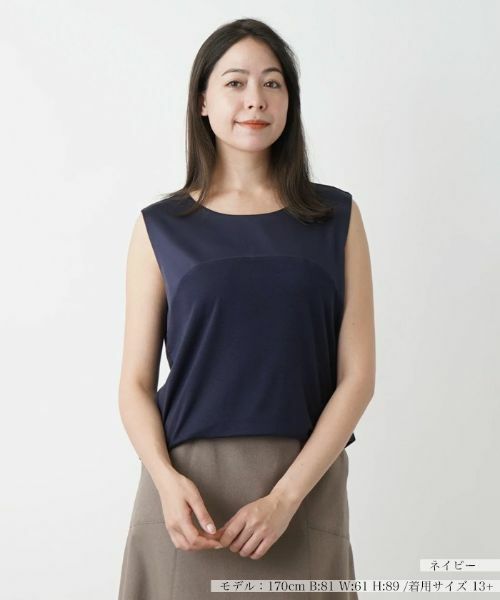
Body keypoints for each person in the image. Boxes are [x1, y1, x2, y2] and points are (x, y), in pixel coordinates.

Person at [117, 17, 375, 600]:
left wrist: (286, 497)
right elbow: (134, 383)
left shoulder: (337, 218)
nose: (255, 99)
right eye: (235, 82)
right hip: (188, 497)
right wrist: (166, 482)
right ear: (203, 102)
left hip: (302, 485)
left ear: (289, 101)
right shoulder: (161, 228)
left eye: (272, 83)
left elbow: (358, 377)